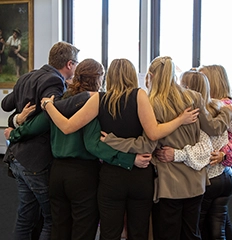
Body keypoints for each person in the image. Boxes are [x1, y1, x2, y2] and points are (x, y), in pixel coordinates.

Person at [40, 58, 200, 240]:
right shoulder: (139, 95)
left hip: (111, 177)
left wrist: (48, 105)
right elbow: (154, 133)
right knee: (138, 232)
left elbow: (67, 127)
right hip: (140, 175)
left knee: (109, 233)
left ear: (109, 76)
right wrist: (180, 120)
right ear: (132, 75)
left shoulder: (99, 99)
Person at [4, 58, 151, 240]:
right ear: (98, 79)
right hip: (83, 175)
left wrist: (13, 133)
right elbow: (94, 145)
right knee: (83, 230)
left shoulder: (58, 102)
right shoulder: (93, 103)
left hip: (57, 174)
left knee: (58, 229)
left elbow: (34, 126)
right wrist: (130, 159)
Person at [97, 57, 232, 240]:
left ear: (151, 76)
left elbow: (145, 144)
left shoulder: (151, 104)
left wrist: (114, 141)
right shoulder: (194, 98)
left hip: (169, 182)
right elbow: (213, 128)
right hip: (195, 180)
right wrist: (227, 110)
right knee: (192, 234)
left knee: (167, 234)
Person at [1, 41, 79, 240]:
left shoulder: (28, 76)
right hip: (35, 161)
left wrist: (17, 120)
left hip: (17, 157)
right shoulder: (54, 81)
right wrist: (18, 125)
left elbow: (6, 104)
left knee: (25, 217)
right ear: (69, 64)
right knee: (50, 219)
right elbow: (47, 118)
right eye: (76, 63)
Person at [154, 70, 232, 240]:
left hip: (207, 177)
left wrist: (175, 154)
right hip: (226, 175)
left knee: (197, 229)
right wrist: (228, 149)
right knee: (219, 226)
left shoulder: (195, 114)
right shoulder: (220, 107)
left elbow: (204, 146)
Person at [197, 65, 232, 239]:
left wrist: (223, 153)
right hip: (226, 174)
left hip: (217, 172)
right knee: (221, 223)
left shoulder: (222, 106)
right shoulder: (221, 105)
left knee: (207, 225)